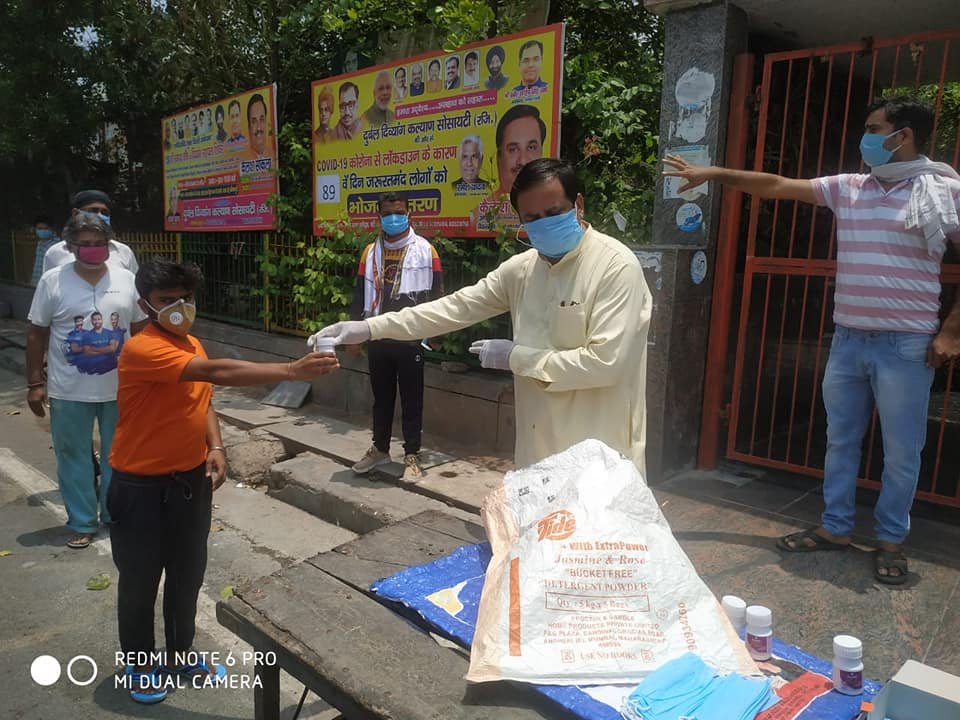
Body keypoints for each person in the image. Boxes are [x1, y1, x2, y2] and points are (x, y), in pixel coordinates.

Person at [663, 96, 960, 585]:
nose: (864, 138)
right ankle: (837, 528)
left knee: (904, 451)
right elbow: (777, 185)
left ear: (901, 136)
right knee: (840, 441)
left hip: (905, 345)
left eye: (873, 128)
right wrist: (715, 173)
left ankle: (891, 541)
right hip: (848, 341)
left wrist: (951, 331)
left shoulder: (941, 192)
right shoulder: (849, 188)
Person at [310, 159, 652, 474]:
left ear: (578, 205)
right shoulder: (522, 270)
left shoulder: (615, 267)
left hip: (600, 455)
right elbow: (453, 308)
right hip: (538, 453)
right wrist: (368, 327)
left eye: (554, 211)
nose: (544, 224)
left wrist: (516, 357)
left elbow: (605, 364)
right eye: (531, 218)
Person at [107, 258, 339, 704]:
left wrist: (215, 446)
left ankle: (179, 654)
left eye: (187, 299)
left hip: (189, 479)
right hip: (139, 486)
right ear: (143, 305)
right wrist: (290, 371)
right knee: (139, 580)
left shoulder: (191, 342)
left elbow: (202, 398)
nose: (179, 308)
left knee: (187, 574)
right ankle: (139, 665)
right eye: (167, 301)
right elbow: (215, 375)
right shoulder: (144, 348)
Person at [25, 212, 148, 550]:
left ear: (109, 245)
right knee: (73, 456)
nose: (93, 250)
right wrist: (35, 382)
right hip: (68, 389)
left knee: (119, 455)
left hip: (120, 388)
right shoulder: (53, 280)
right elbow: (37, 333)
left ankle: (114, 514)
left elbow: (139, 330)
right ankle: (82, 521)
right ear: (71, 246)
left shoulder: (126, 279)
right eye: (85, 245)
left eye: (99, 244)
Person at [344, 193, 443, 482]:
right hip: (378, 335)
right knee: (381, 399)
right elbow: (359, 294)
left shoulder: (426, 251)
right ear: (379, 217)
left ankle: (412, 455)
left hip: (410, 337)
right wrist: (354, 333)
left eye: (399, 212)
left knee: (413, 400)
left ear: (409, 213)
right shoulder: (369, 252)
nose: (393, 218)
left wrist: (437, 333)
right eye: (387, 213)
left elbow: (437, 294)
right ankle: (380, 449)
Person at [470, 104, 545, 230]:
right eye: (513, 149)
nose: (523, 160)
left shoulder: (554, 212)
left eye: (531, 147)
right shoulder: (477, 218)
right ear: (499, 158)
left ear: (541, 153)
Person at [44, 190, 139, 275]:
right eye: (93, 210)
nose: (99, 215)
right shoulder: (55, 252)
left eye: (104, 212)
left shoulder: (124, 252)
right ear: (75, 213)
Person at [31, 216, 58, 286]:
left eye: (46, 228)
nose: (42, 231)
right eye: (39, 229)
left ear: (52, 229)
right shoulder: (39, 243)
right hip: (38, 281)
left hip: (50, 283)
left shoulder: (56, 245)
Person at [245, 93, 271, 159]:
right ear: (249, 127)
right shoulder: (243, 159)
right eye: (254, 122)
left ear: (266, 123)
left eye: (261, 120)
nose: (258, 128)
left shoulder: (274, 155)